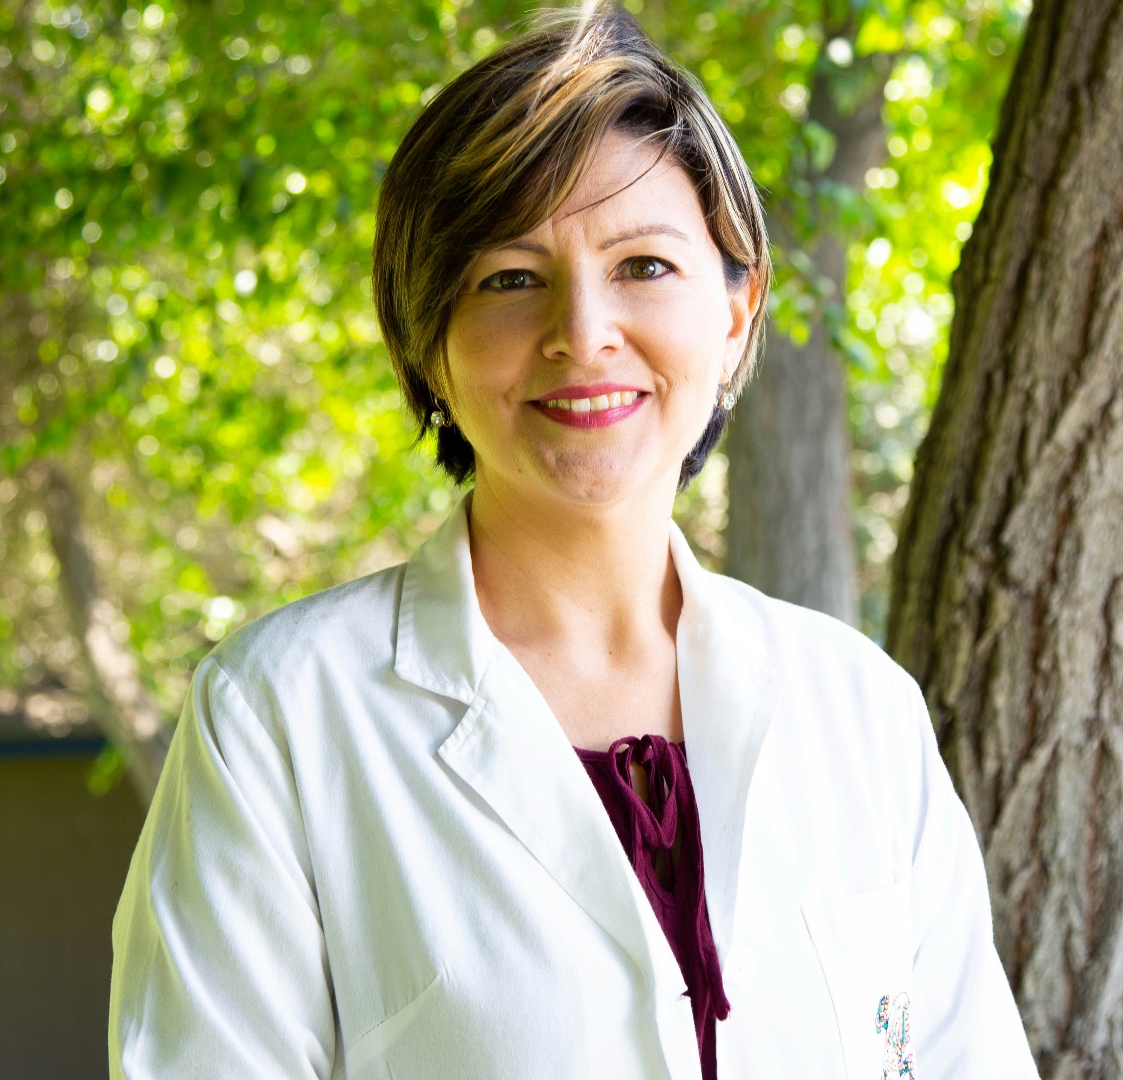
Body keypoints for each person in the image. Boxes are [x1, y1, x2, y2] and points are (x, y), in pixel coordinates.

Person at [108, 8, 1038, 1079]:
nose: (583, 332)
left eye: (644, 265)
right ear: (428, 341)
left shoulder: (860, 711)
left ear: (736, 315)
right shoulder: (279, 719)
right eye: (510, 278)